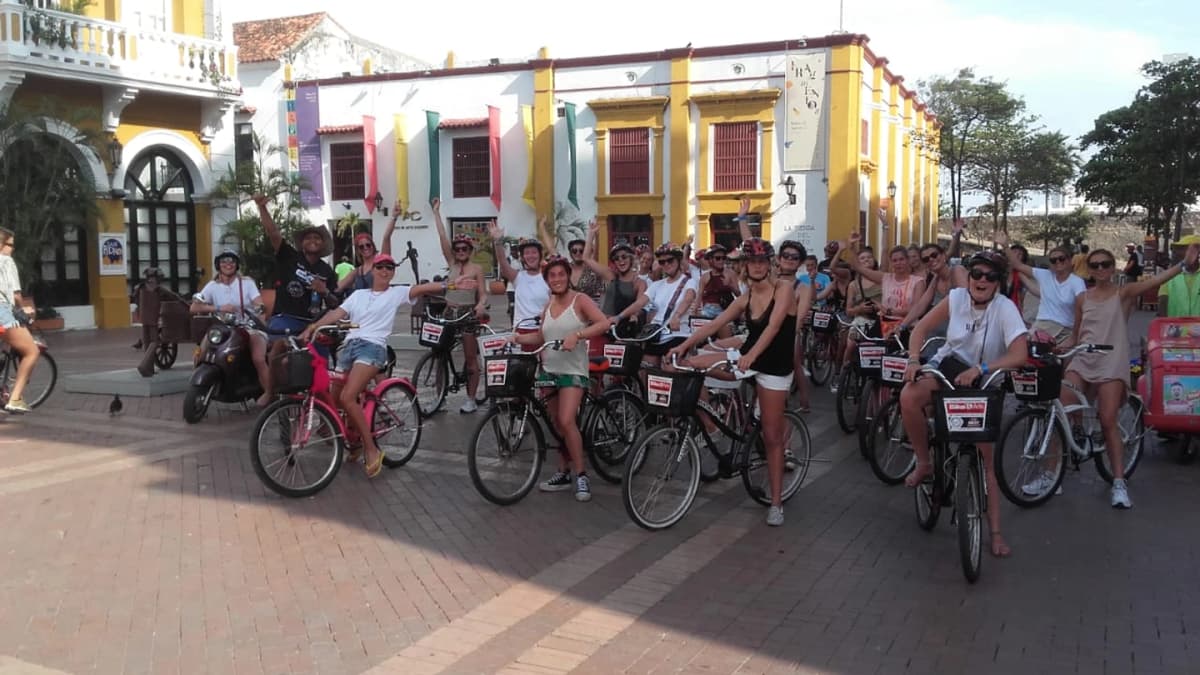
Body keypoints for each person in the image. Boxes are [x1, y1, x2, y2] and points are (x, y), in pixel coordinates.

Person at [900, 251, 1030, 557]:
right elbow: (920, 329)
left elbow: (1020, 355)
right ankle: (924, 462)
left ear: (998, 282)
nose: (982, 280)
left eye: (990, 276)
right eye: (976, 274)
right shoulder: (956, 298)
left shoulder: (1005, 308)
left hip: (985, 380)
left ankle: (995, 533)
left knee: (986, 461)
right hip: (950, 367)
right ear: (968, 276)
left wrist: (983, 369)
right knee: (909, 396)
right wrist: (914, 359)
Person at [302, 255, 475, 477]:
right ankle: (353, 437)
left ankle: (371, 449)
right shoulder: (359, 295)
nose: (385, 270)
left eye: (389, 267)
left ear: (393, 272)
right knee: (336, 398)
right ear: (372, 270)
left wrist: (449, 284)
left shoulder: (396, 293)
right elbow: (337, 313)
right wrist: (314, 326)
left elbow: (420, 289)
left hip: (372, 348)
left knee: (347, 396)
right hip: (350, 347)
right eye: (380, 266)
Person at [668, 238, 797, 526]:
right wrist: (684, 345)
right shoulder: (747, 295)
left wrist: (750, 356)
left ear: (770, 264)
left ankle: (776, 503)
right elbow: (715, 324)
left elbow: (774, 326)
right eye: (752, 262)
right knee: (692, 364)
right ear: (745, 266)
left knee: (772, 436)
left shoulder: (784, 289)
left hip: (773, 366)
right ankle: (714, 426)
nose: (758, 266)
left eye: (763, 261)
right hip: (747, 356)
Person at [1064, 244, 1199, 508]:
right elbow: (1076, 333)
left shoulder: (1123, 293)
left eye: (1105, 264)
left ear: (1113, 268)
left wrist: (1183, 266)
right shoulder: (1082, 298)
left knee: (1107, 419)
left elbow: (1157, 280)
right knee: (1062, 404)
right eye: (1095, 265)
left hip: (1111, 360)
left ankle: (1118, 482)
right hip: (1084, 357)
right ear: (1089, 270)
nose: (1100, 269)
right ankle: (1050, 473)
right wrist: (1060, 346)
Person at [511, 255, 611, 501]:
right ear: (547, 280)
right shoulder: (548, 305)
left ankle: (581, 474)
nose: (557, 279)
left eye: (561, 274)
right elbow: (540, 337)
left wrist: (577, 335)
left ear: (568, 276)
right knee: (556, 424)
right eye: (552, 276)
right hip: (550, 370)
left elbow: (603, 324)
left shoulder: (580, 300)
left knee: (567, 421)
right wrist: (515, 338)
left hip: (573, 370)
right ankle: (562, 471)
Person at [254, 194, 339, 404]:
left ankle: (325, 418)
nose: (313, 241)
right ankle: (271, 391)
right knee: (278, 349)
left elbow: (335, 304)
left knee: (320, 368)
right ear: (302, 243)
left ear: (322, 244)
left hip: (313, 324)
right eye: (309, 238)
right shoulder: (290, 258)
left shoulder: (326, 271)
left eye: (317, 238)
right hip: (286, 318)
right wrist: (262, 208)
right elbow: (273, 233)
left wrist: (324, 291)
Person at [430, 198, 488, 412]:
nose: (460, 251)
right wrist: (436, 212)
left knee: (471, 357)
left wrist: (481, 305)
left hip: (467, 314)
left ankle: (471, 399)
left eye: (464, 248)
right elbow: (442, 237)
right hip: (449, 311)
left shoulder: (477, 269)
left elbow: (483, 294)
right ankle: (439, 398)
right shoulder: (452, 264)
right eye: (458, 249)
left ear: (470, 250)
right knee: (439, 355)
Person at [189, 250, 270, 401]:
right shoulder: (212, 286)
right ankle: (199, 387)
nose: (228, 264)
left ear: (237, 265)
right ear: (218, 265)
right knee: (200, 353)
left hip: (248, 326)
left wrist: (259, 313)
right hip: (222, 328)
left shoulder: (246, 283)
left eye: (232, 261)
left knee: (258, 358)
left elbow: (259, 304)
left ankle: (270, 393)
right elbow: (194, 308)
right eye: (224, 261)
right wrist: (218, 308)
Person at [1000, 236, 1085, 349]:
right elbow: (1018, 265)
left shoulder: (1077, 282)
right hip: (1043, 325)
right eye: (1053, 260)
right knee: (1020, 348)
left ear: (1069, 260)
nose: (1058, 262)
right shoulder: (1045, 275)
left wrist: (1076, 335)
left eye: (1062, 258)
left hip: (1066, 329)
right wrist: (1005, 246)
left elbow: (1082, 306)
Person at [842, 233, 921, 336]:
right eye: (895, 260)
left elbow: (915, 309)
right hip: (884, 325)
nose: (898, 263)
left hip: (907, 326)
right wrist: (852, 247)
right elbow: (858, 267)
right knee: (864, 348)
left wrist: (886, 310)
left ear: (907, 260)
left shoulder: (918, 281)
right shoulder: (886, 278)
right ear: (891, 263)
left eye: (901, 259)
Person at [489, 219, 550, 349]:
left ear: (540, 255)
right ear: (522, 257)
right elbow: (502, 262)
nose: (531, 256)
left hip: (544, 330)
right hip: (521, 330)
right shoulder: (518, 277)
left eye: (534, 252)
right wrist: (498, 241)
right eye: (527, 253)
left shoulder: (548, 277)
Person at [0, 227, 40, 413]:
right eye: (10, 245)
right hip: (2, 313)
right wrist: (24, 308)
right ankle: (15, 398)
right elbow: (16, 295)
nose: (12, 249)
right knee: (31, 351)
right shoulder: (6, 261)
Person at [898, 242, 968, 346]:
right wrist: (901, 326)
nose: (931, 259)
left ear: (943, 256)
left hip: (962, 330)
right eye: (926, 259)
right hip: (940, 333)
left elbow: (965, 298)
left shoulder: (957, 271)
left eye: (934, 255)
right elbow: (921, 305)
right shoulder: (936, 280)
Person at [644, 242, 699, 363]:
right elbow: (639, 303)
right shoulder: (657, 285)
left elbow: (688, 299)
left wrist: (677, 315)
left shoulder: (689, 282)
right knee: (645, 368)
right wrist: (620, 316)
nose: (666, 264)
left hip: (678, 334)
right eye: (662, 262)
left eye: (670, 260)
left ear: (679, 260)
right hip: (656, 335)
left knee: (670, 369)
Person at [336, 203, 400, 298]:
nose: (365, 247)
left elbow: (386, 237)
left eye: (368, 245)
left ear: (373, 246)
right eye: (361, 246)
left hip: (379, 306)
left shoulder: (381, 263)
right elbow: (338, 287)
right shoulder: (357, 271)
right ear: (358, 250)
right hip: (362, 309)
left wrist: (394, 217)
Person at [697, 244, 740, 339]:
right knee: (697, 333)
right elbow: (699, 296)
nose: (721, 261)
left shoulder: (730, 273)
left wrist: (730, 285)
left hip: (726, 311)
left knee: (725, 328)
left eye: (723, 258)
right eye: (718, 258)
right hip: (708, 311)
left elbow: (739, 295)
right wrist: (695, 313)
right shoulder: (705, 277)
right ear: (710, 260)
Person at [1159, 240, 1200, 317]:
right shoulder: (1169, 276)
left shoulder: (1169, 275)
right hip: (1176, 326)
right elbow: (1163, 300)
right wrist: (1164, 322)